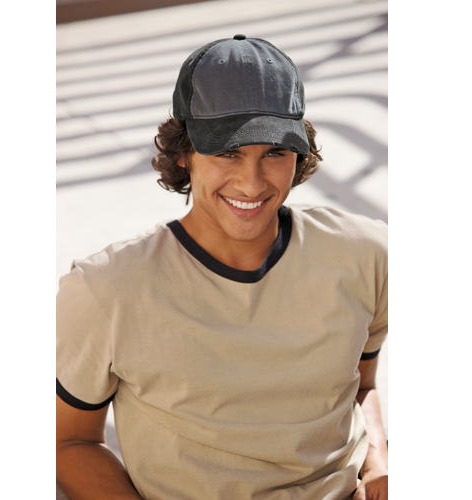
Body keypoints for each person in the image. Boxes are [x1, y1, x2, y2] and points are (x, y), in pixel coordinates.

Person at [56, 35, 388, 500]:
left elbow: (361, 387)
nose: (252, 184)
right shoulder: (105, 290)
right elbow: (67, 441)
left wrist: (379, 465)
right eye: (228, 152)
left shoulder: (366, 253)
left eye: (274, 152)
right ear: (184, 153)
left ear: (300, 153)